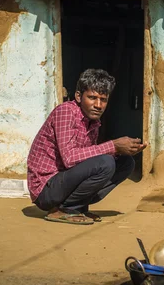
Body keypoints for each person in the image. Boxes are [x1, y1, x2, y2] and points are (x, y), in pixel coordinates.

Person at [27, 69, 147, 225]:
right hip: (46, 190)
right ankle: (65, 209)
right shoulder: (66, 112)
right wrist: (113, 145)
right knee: (105, 163)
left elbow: (87, 158)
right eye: (92, 98)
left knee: (126, 162)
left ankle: (77, 207)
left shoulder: (93, 121)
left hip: (63, 182)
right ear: (78, 96)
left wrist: (121, 150)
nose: (98, 105)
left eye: (103, 99)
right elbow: (69, 159)